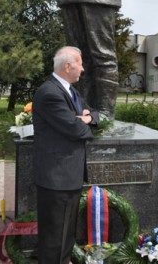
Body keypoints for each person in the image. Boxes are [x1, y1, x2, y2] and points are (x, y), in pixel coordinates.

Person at [32, 46, 100, 264]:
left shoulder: (70, 90)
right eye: (80, 63)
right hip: (56, 177)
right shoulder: (50, 93)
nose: (83, 68)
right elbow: (75, 129)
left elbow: (95, 114)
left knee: (66, 235)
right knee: (54, 238)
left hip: (69, 175)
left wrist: (87, 118)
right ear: (68, 66)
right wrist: (84, 122)